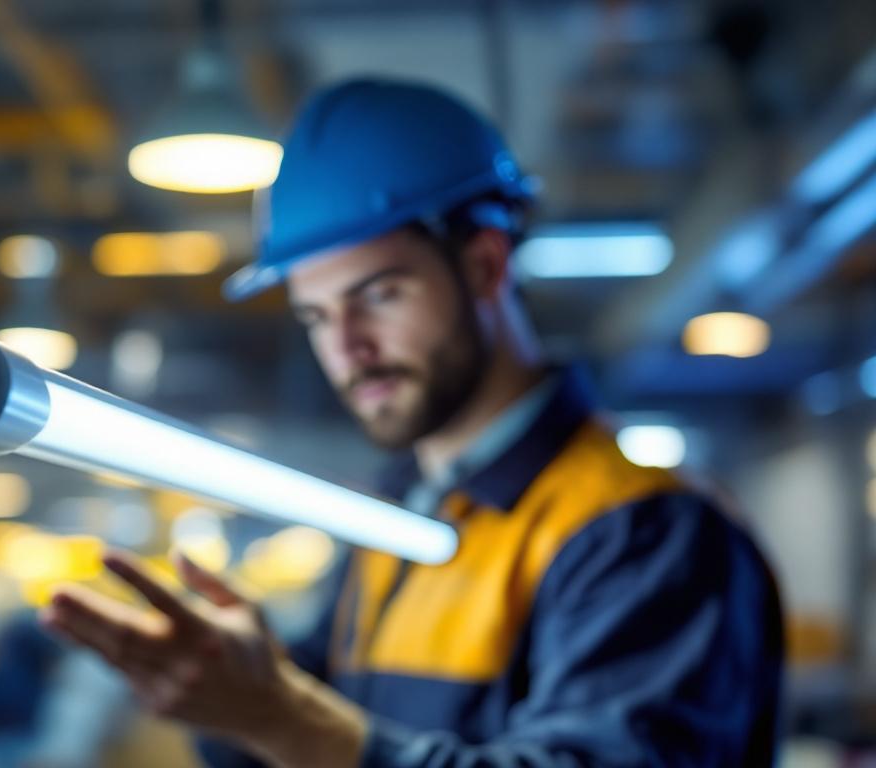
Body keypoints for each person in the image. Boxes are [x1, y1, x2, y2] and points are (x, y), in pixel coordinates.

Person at [40, 78, 783, 767]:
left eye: (379, 295)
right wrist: (222, 692)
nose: (347, 349)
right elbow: (330, 718)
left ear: (485, 265)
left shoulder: (644, 531)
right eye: (316, 316)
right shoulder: (397, 518)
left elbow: (319, 729)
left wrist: (281, 717)